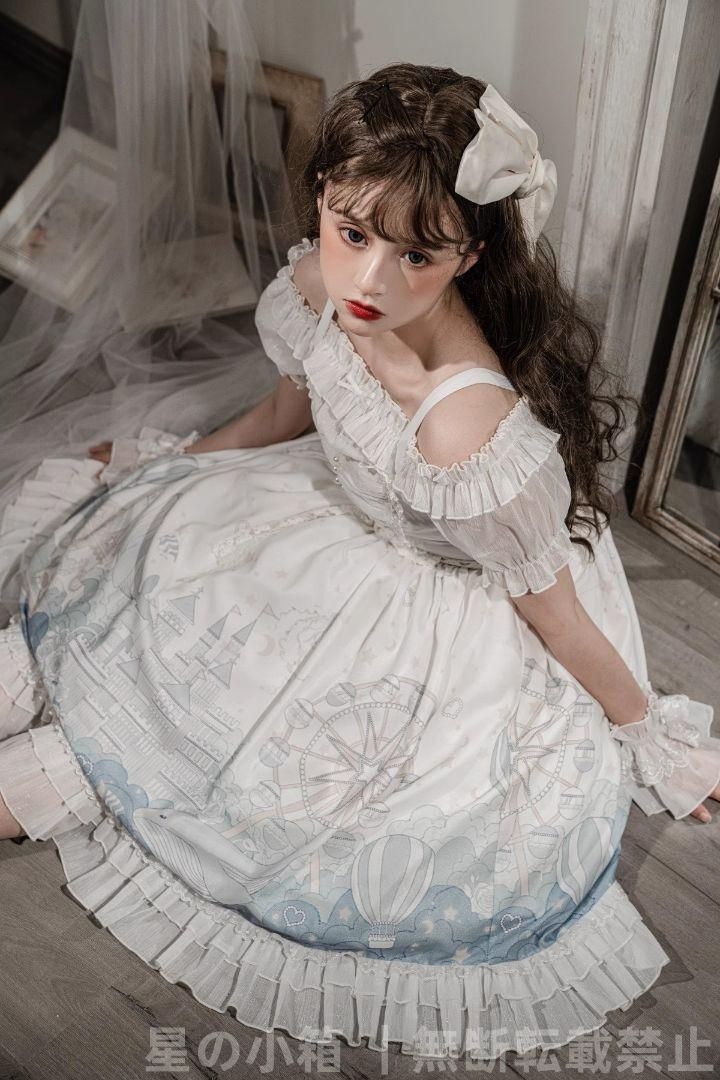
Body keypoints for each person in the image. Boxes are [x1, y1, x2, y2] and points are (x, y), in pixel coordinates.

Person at [0, 63, 718, 1063]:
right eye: (352, 234)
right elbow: (287, 413)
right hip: (329, 520)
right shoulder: (320, 287)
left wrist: (650, 734)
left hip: (444, 609)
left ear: (470, 253)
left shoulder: (470, 432)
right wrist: (173, 466)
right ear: (324, 205)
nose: (370, 282)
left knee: (241, 754)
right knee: (128, 603)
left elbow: (553, 613)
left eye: (416, 254)